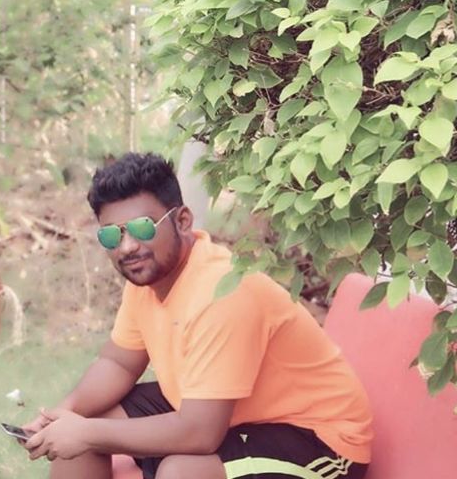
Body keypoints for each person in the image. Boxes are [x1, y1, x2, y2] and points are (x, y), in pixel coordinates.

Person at [22, 152, 373, 479]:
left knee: (182, 471)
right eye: (112, 235)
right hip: (226, 410)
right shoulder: (148, 279)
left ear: (182, 221)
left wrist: (87, 433)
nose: (127, 247)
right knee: (81, 421)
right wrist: (63, 415)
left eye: (143, 228)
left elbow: (200, 433)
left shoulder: (222, 292)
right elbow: (119, 363)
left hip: (317, 438)